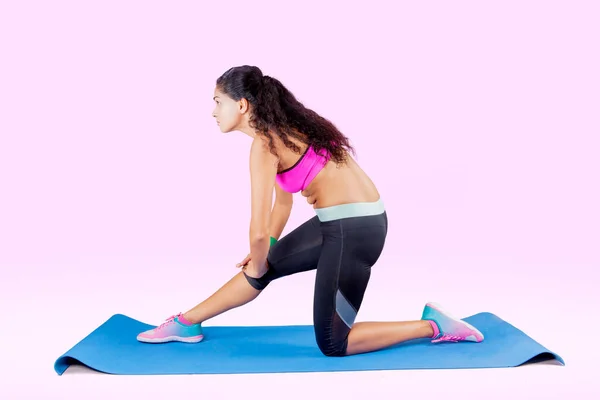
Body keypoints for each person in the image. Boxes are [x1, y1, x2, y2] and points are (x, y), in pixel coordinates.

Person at [136, 65, 484, 356]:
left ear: (241, 105)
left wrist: (260, 254)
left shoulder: (264, 145)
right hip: (351, 221)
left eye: (217, 102)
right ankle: (186, 323)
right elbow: (283, 204)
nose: (213, 112)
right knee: (263, 264)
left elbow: (256, 229)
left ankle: (434, 325)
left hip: (353, 230)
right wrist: (267, 250)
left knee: (334, 343)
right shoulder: (284, 128)